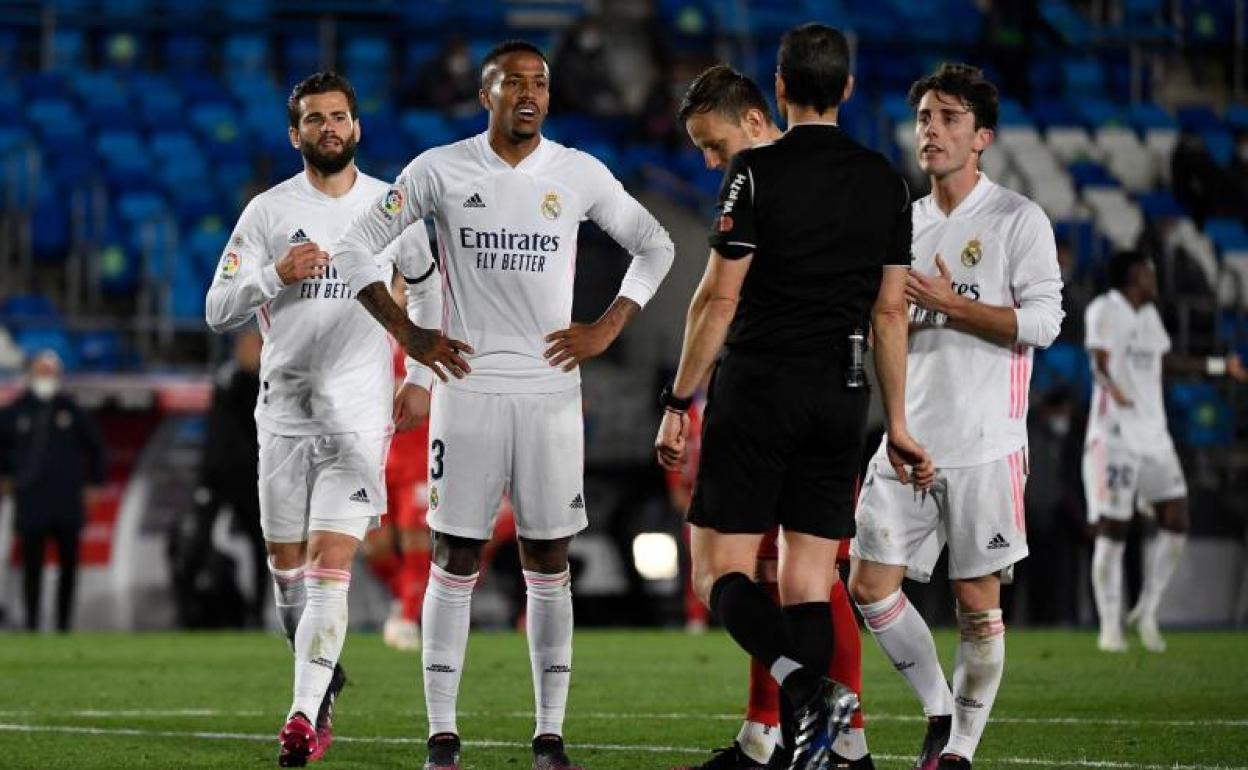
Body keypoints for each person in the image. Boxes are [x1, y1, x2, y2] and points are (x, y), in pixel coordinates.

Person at [330, 40, 674, 770]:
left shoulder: (577, 173)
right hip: (469, 390)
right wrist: (410, 332)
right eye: (512, 81)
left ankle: (550, 735)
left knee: (548, 559)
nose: (529, 92)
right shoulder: (439, 170)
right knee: (454, 557)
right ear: (485, 93)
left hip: (551, 392)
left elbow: (657, 246)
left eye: (540, 83)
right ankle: (442, 736)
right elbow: (357, 247)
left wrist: (608, 326)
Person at [654, 26, 931, 770]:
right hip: (845, 395)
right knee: (811, 579)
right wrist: (896, 421)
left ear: (777, 92)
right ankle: (825, 745)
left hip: (763, 388)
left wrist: (679, 401)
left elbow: (716, 300)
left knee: (719, 574)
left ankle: (808, 694)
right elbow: (889, 312)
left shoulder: (756, 174)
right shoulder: (886, 180)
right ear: (847, 88)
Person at [204, 71, 461, 767]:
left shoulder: (389, 204)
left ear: (357, 127)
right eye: (315, 119)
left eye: (339, 117)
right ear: (295, 135)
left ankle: (300, 715)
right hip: (283, 416)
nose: (329, 128)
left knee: (329, 565)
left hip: (358, 415)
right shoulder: (266, 212)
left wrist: (417, 373)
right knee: (286, 571)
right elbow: (216, 307)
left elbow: (430, 283)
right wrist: (274, 276)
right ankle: (321, 687)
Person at [847, 64, 1064, 770]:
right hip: (907, 439)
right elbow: (886, 324)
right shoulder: (900, 223)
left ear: (982, 138)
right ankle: (941, 710)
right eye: (923, 119)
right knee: (868, 586)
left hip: (983, 444)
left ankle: (961, 752)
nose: (930, 131)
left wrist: (951, 303)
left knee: (976, 605)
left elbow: (1045, 324)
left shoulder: (1016, 220)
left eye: (947, 119)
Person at [1083, 250, 1247, 653]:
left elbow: (1164, 362)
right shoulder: (1106, 308)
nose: (1153, 278)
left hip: (1155, 435)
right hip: (1116, 434)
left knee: (1177, 518)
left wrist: (1216, 367)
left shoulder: (1150, 317)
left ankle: (1148, 610)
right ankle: (1109, 625)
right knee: (1114, 529)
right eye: (1146, 272)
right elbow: (1098, 360)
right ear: (1130, 277)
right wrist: (1112, 386)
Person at [0, 350, 105, 632]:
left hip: (66, 500)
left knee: (68, 566)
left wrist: (94, 483)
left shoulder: (71, 410)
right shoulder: (15, 411)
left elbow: (95, 448)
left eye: (50, 372)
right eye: (41, 372)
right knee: (31, 567)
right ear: (30, 374)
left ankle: (63, 626)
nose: (46, 378)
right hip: (31, 500)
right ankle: (32, 624)